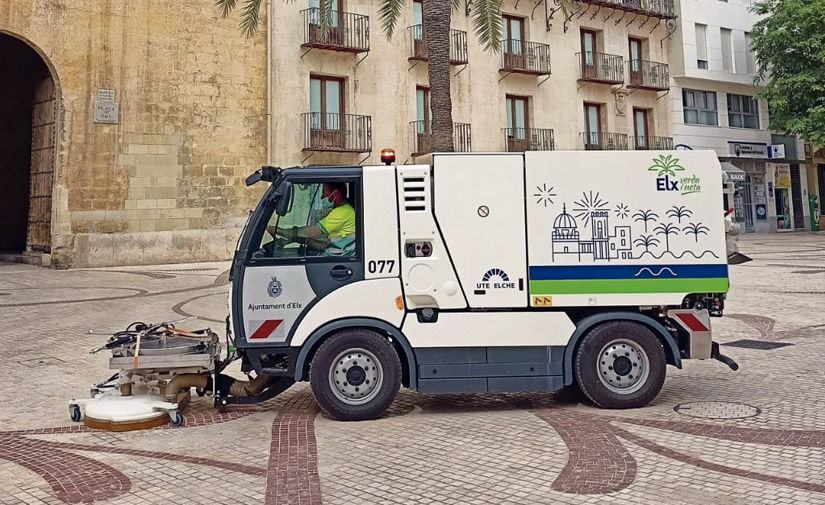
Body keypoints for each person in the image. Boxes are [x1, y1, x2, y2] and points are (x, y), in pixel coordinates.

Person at [270, 182, 356, 256]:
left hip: (338, 260)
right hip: (336, 257)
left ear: (336, 194)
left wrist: (281, 231)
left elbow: (311, 232)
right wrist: (295, 239)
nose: (323, 197)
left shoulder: (343, 212)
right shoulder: (343, 211)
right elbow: (324, 246)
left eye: (326, 194)